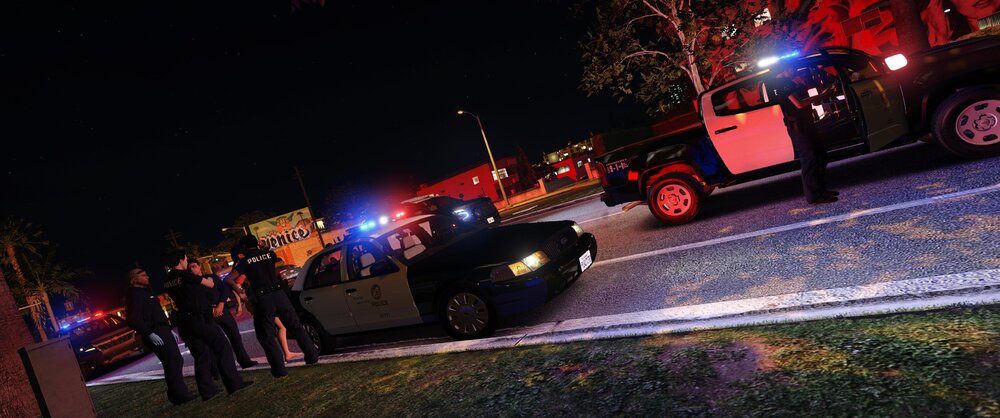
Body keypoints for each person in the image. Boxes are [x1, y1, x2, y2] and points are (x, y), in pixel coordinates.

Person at [161, 250, 253, 399]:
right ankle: (233, 383)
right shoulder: (185, 275)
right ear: (180, 260)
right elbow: (209, 284)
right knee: (222, 347)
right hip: (200, 318)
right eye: (185, 259)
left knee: (201, 355)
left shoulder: (167, 280)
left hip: (185, 321)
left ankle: (207, 391)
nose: (186, 262)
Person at [225, 236, 318, 378]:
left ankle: (279, 370)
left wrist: (240, 292)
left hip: (263, 298)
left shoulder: (245, 261)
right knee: (296, 326)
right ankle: (312, 356)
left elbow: (229, 279)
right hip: (280, 295)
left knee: (266, 336)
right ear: (256, 243)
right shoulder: (269, 255)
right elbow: (271, 255)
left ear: (244, 247)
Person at [125, 268, 198, 406]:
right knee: (173, 361)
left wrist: (169, 329)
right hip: (155, 331)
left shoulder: (145, 293)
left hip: (162, 329)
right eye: (143, 275)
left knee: (174, 361)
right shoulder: (135, 295)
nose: (147, 276)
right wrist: (148, 333)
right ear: (134, 279)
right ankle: (180, 395)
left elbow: (156, 313)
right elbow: (133, 319)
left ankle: (176, 394)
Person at [773, 67, 841, 204]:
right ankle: (814, 195)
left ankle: (821, 189)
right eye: (792, 68)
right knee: (810, 159)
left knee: (820, 155)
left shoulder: (789, 82)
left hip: (805, 123)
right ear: (783, 68)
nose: (795, 70)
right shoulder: (782, 84)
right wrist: (823, 95)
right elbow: (799, 104)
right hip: (798, 126)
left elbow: (804, 99)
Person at [229, 245, 303, 363]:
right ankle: (284, 355)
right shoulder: (243, 267)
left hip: (257, 300)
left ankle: (285, 354)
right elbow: (236, 283)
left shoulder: (241, 266)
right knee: (277, 328)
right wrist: (240, 295)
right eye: (243, 252)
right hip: (257, 300)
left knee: (275, 328)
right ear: (239, 254)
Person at [187, 259, 258, 369]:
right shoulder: (191, 285)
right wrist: (211, 308)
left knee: (235, 336)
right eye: (189, 268)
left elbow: (225, 289)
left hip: (223, 310)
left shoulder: (212, 277)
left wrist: (220, 304)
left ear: (199, 266)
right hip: (208, 315)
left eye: (193, 266)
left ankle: (244, 361)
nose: (192, 270)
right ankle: (223, 368)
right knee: (218, 343)